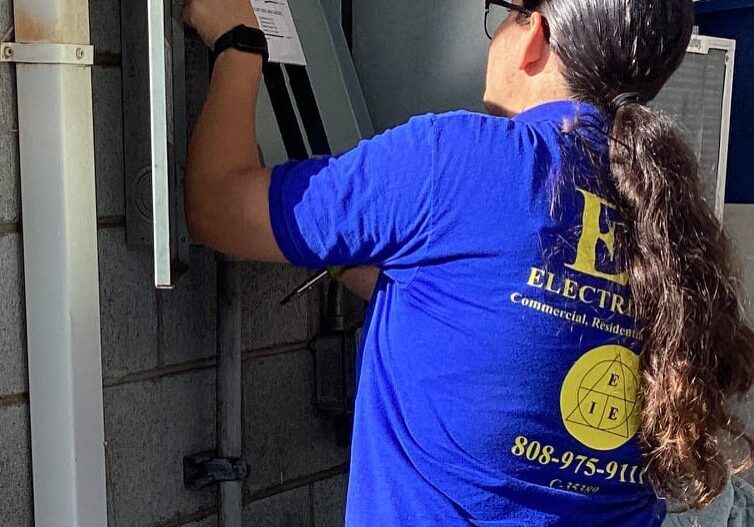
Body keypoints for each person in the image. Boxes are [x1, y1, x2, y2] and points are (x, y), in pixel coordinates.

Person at [182, 0, 754, 524]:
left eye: (503, 11)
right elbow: (497, 312)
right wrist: (345, 244)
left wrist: (239, 44)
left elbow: (216, 207)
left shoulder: (458, 160)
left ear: (536, 33)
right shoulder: (662, 214)